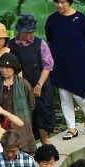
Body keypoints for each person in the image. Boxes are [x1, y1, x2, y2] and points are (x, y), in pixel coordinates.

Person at [45, 0, 85, 141]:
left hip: (79, 61)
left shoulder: (80, 19)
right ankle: (71, 127)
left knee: (80, 94)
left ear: (70, 1)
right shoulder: (52, 20)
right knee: (64, 96)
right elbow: (50, 38)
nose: (59, 5)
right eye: (57, 2)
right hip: (59, 62)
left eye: (63, 2)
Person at [10, 13, 55, 144]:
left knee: (43, 112)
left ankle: (45, 141)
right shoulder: (10, 45)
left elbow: (48, 66)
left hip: (40, 82)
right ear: (19, 31)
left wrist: (39, 85)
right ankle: (29, 144)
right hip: (20, 84)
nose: (29, 35)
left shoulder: (40, 43)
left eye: (31, 32)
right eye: (26, 32)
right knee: (26, 115)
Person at [0, 54, 35, 152]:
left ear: (14, 68)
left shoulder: (24, 84)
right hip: (1, 125)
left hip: (21, 125)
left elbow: (31, 105)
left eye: (7, 67)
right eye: (1, 67)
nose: (4, 70)